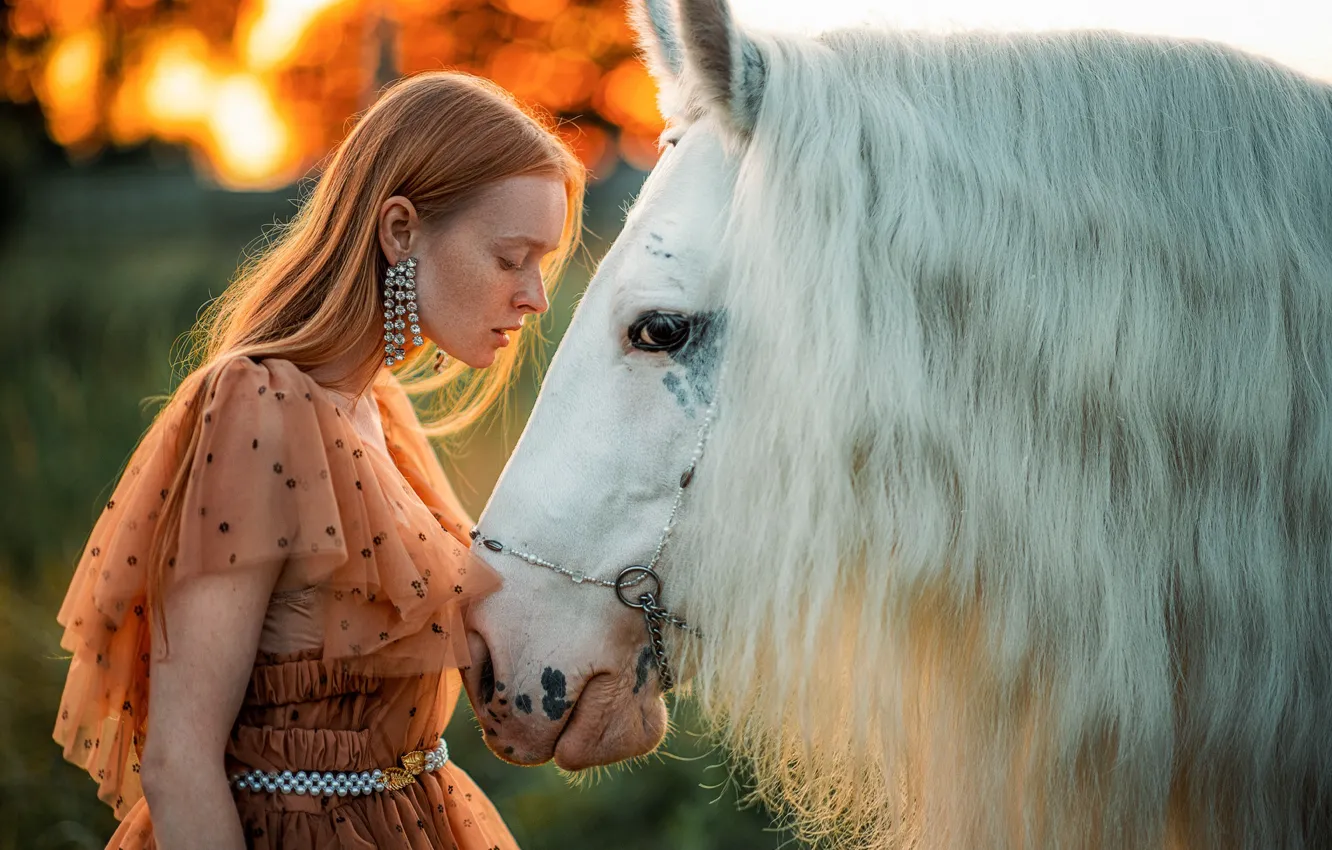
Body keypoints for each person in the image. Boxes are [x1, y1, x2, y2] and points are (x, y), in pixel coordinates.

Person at [52, 71, 585, 849]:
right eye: (512, 258)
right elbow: (177, 760)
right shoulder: (257, 408)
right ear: (400, 230)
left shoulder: (382, 415)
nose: (535, 296)